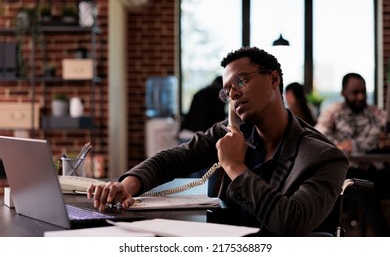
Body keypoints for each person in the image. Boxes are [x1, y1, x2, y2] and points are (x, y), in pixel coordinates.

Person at [88, 46, 348, 236]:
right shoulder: (232, 131)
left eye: (242, 80)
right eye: (227, 90)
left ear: (273, 79)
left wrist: (235, 166)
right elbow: (172, 159)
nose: (233, 93)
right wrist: (129, 184)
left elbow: (290, 222)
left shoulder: (323, 156)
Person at [315, 72, 390, 236]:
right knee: (366, 195)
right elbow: (317, 137)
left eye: (363, 92)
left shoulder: (376, 114)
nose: (361, 97)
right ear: (343, 93)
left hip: (373, 170)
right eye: (355, 92)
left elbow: (380, 137)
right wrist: (339, 146)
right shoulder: (333, 112)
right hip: (346, 172)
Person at [178, 76, 226, 140]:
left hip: (189, 131)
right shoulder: (219, 94)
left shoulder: (200, 92)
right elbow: (219, 117)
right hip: (206, 132)